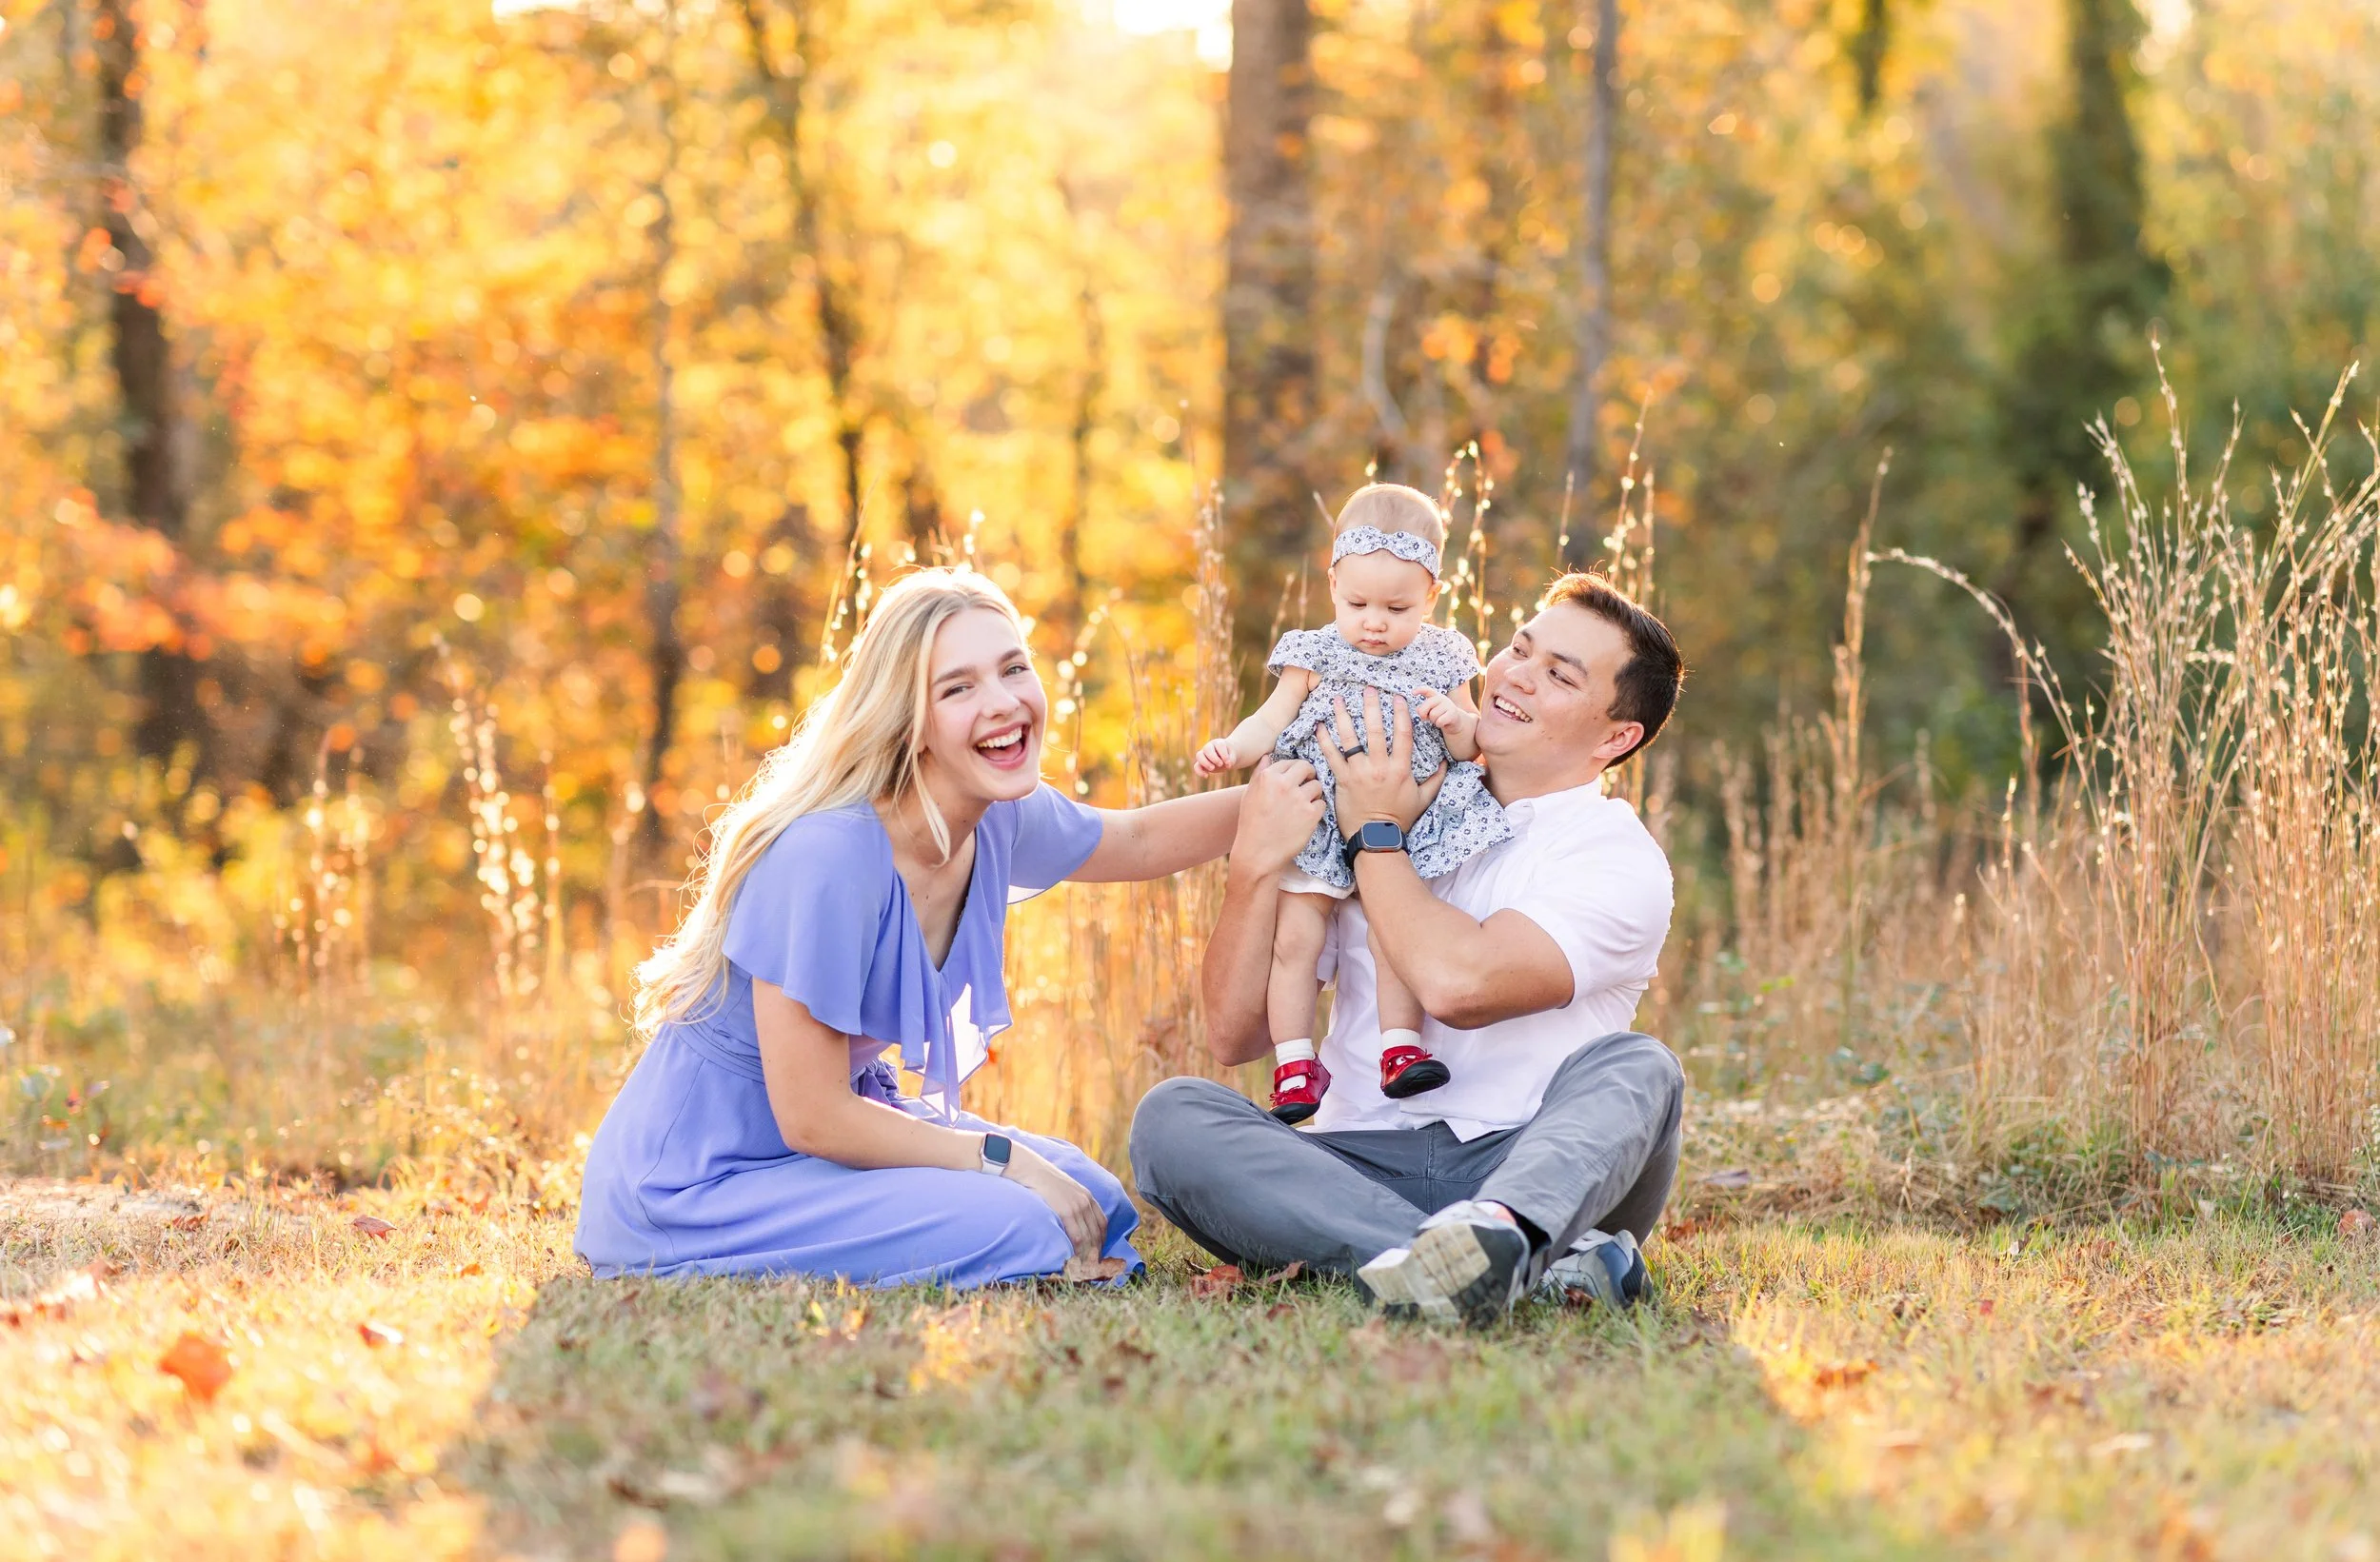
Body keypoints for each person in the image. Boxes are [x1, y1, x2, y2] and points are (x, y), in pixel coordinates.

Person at [577, 568, 1240, 1286]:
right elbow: (812, 1116)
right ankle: (1022, 1251)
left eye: (1013, 668)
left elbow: (1139, 841)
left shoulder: (996, 814)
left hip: (824, 1155)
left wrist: (1302, 786)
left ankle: (1031, 1246)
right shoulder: (828, 854)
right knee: (1022, 1212)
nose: (1003, 702)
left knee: (1092, 1195)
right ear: (908, 718)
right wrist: (1004, 1157)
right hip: (699, 1182)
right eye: (958, 687)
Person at [1131, 572, 1686, 1327]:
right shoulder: (1383, 775)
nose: (1516, 674)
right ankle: (1502, 1267)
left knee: (1641, 1066)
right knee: (1173, 1117)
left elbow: (1462, 983)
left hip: (1528, 1161)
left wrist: (1378, 834)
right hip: (1353, 1163)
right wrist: (1253, 868)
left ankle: (1500, 1233)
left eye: (1558, 675)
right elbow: (1235, 1034)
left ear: (1616, 736)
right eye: (1520, 648)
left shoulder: (1614, 855)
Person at [1193, 484, 1511, 1123]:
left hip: (1401, 824)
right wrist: (1232, 747)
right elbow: (1271, 717)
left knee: (1395, 934)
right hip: (1314, 817)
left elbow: (1474, 739)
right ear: (1332, 582)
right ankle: (1293, 1063)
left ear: (1432, 597)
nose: (1374, 621)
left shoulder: (1444, 655)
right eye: (1357, 601)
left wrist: (1452, 719)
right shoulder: (1313, 652)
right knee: (1295, 939)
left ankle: (1399, 1047)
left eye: (1397, 606)